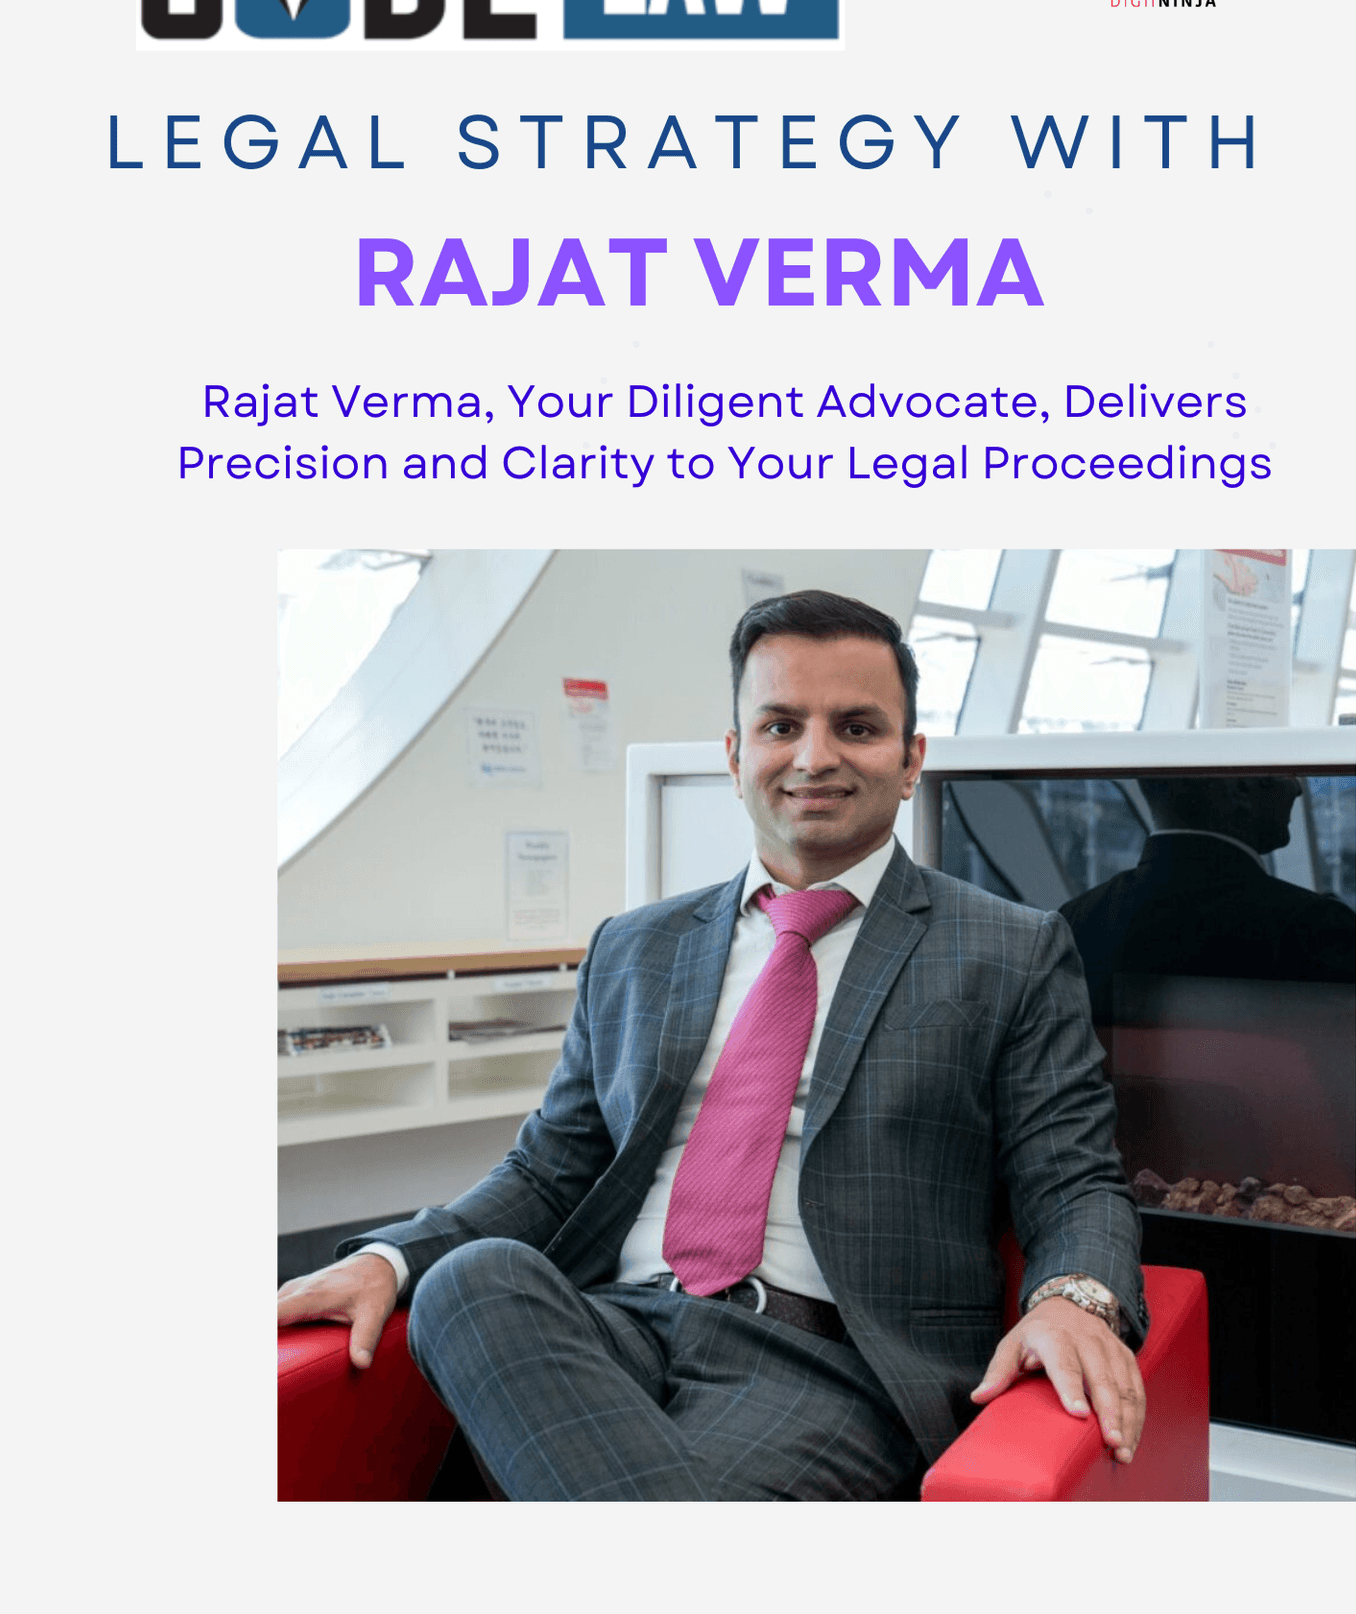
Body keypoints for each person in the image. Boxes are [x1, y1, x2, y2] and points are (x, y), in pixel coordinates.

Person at [278, 590, 1147, 1500]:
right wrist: (387, 1258)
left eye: (855, 726)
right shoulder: (634, 946)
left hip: (829, 1367)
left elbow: (1074, 1176)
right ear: (735, 758)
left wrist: (1074, 1299)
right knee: (470, 1281)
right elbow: (547, 1172)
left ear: (909, 760)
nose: (814, 757)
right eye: (780, 725)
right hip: (606, 1330)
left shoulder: (1010, 949)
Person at [1062, 775, 1355, 1020]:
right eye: (1285, 772)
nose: (1298, 788)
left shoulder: (1074, 923)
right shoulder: (1315, 929)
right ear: (1239, 790)